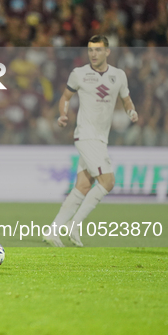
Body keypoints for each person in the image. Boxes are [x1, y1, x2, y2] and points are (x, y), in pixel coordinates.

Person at [44, 35, 138, 247]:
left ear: (107, 52)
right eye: (90, 50)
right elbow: (65, 97)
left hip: (100, 138)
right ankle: (74, 225)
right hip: (86, 135)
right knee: (108, 181)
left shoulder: (119, 75)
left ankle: (53, 231)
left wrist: (131, 111)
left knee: (83, 186)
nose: (93, 54)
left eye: (97, 50)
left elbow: (126, 99)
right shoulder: (79, 74)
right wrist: (63, 115)